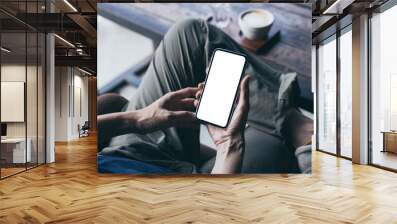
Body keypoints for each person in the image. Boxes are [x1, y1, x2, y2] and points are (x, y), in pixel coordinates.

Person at [98, 19, 304, 174]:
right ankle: (300, 131)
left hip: (126, 154)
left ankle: (291, 122)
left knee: (190, 34)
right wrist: (228, 146)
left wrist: (135, 120)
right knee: (271, 140)